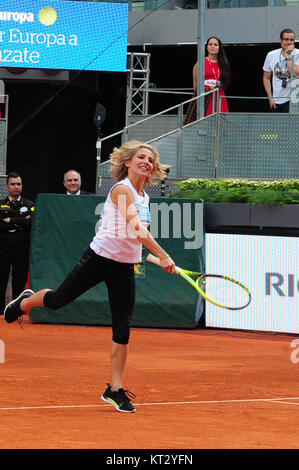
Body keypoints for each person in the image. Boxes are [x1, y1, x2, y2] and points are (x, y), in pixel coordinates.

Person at [4, 141, 176, 413]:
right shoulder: (121, 189)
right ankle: (25, 301)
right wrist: (164, 255)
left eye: (150, 159)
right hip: (99, 258)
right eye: (140, 157)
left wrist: (153, 255)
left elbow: (135, 235)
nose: (147, 162)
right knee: (58, 301)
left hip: (124, 266)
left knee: (123, 328)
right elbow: (134, 227)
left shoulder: (146, 198)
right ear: (128, 162)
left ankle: (115, 390)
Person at [0, 172, 34, 317]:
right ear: (7, 186)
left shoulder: (29, 204)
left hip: (22, 250)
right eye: (13, 184)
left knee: (19, 284)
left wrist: (10, 220)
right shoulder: (0, 204)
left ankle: (16, 314)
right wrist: (21, 221)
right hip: (3, 250)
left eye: (18, 184)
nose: (16, 187)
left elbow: (32, 223)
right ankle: (1, 314)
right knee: (0, 282)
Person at [184, 36, 230, 124]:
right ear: (207, 47)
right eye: (210, 44)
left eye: (215, 45)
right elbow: (195, 84)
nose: (213, 46)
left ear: (219, 47)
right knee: (205, 121)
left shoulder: (223, 63)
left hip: (219, 94)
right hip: (205, 95)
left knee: (220, 122)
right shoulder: (200, 63)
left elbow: (225, 81)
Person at [263, 28, 299, 113]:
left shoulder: (297, 53)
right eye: (286, 39)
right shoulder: (271, 55)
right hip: (276, 100)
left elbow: (294, 73)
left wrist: (288, 56)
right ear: (280, 40)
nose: (289, 42)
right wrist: (270, 97)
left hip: (292, 100)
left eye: (291, 40)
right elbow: (266, 77)